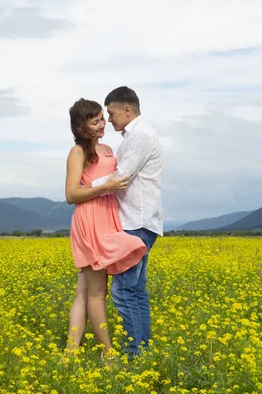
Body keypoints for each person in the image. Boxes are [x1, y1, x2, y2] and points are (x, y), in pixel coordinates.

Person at [64, 98, 148, 360]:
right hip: (89, 221)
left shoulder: (110, 148)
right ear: (81, 126)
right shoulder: (77, 152)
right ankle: (108, 351)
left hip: (108, 219)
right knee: (97, 293)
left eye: (102, 118)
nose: (102, 124)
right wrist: (105, 188)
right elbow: (70, 194)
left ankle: (70, 351)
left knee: (83, 292)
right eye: (95, 121)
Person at [95, 86, 163, 358]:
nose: (108, 119)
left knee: (124, 292)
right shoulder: (136, 136)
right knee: (136, 291)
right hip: (142, 221)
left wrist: (84, 185)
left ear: (127, 109)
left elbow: (120, 177)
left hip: (135, 222)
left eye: (111, 113)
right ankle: (142, 351)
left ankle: (135, 354)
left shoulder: (141, 136)